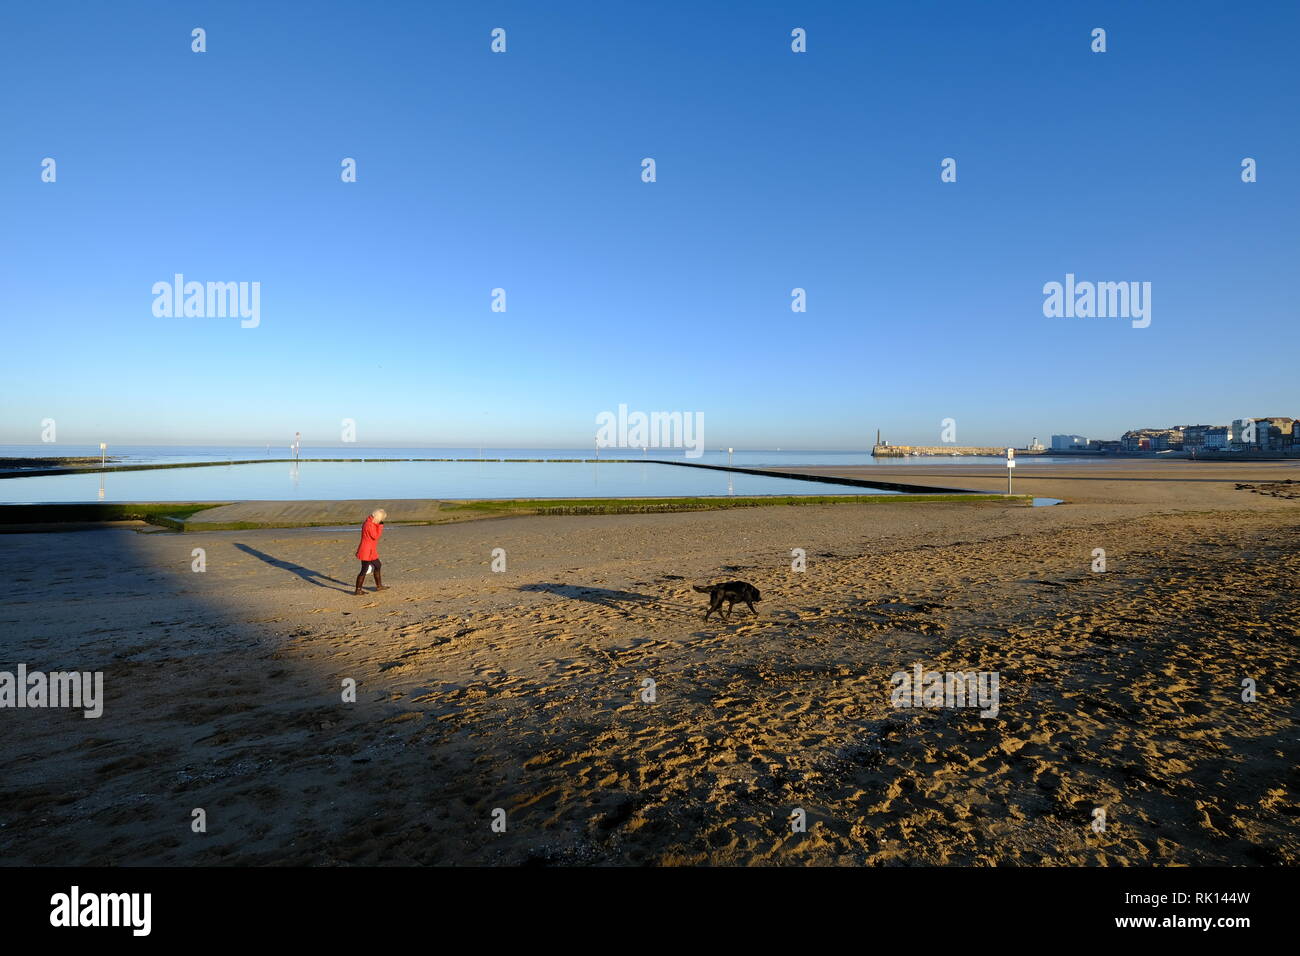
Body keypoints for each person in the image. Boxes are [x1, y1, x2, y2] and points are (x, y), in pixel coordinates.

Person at [354, 508, 388, 595]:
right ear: (377, 517)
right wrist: (380, 526)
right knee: (364, 570)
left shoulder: (370, 523)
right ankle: (358, 590)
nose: (381, 521)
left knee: (378, 565)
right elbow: (375, 536)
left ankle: (379, 586)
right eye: (381, 519)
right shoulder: (369, 524)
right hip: (366, 550)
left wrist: (378, 525)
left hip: (371, 550)